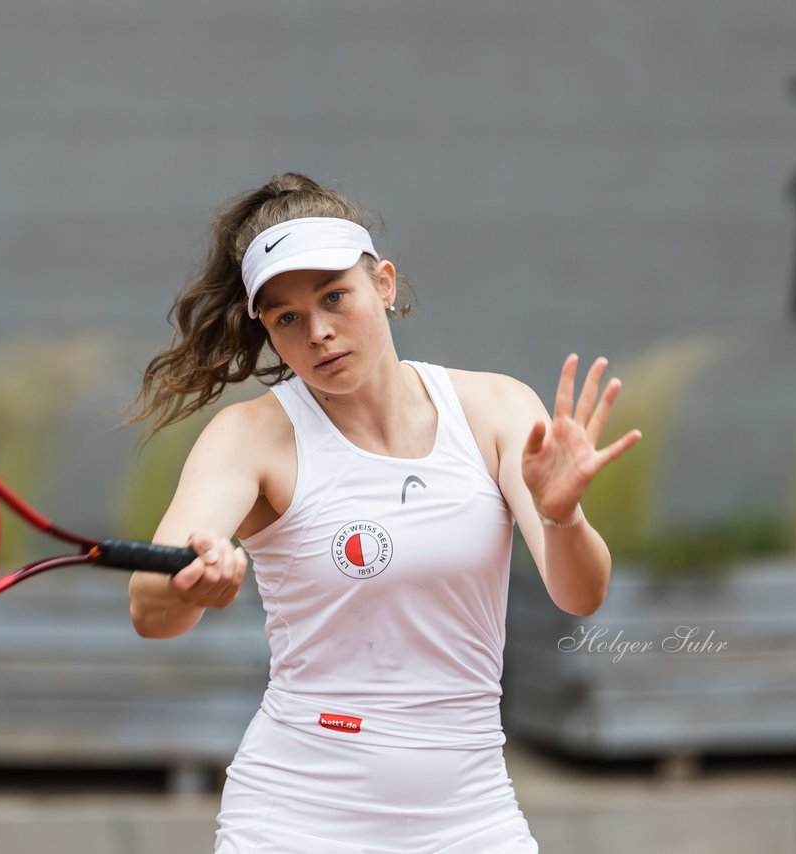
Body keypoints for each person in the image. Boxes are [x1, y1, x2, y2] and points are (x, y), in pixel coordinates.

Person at [126, 172, 641, 853]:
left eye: (335, 296)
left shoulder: (495, 409)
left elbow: (580, 595)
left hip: (472, 816)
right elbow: (151, 610)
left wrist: (561, 517)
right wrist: (194, 582)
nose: (319, 332)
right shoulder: (249, 437)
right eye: (286, 317)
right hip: (295, 821)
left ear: (385, 285)